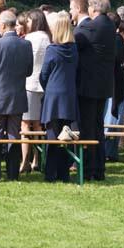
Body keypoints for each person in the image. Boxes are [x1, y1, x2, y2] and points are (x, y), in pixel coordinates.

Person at [0, 10, 33, 181]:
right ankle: (12, 174)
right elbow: (29, 71)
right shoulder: (26, 45)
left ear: (2, 25)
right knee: (14, 135)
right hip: (17, 96)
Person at [74, 0, 115, 181]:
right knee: (98, 127)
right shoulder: (110, 25)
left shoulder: (90, 27)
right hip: (104, 86)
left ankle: (89, 169)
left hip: (89, 86)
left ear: (93, 8)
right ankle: (99, 169)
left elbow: (74, 40)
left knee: (88, 129)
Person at [39, 12, 80, 182]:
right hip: (69, 95)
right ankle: (64, 173)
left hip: (53, 97)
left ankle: (50, 173)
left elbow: (44, 75)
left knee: (52, 136)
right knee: (66, 135)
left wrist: (48, 88)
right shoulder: (74, 49)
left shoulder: (52, 50)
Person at [21, 9, 51, 172]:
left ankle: (26, 160)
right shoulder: (48, 37)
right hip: (44, 84)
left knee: (25, 124)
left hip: (30, 83)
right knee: (38, 124)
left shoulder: (30, 38)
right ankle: (37, 159)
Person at [103, 13, 124, 163]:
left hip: (115, 87)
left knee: (112, 119)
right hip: (117, 86)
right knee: (113, 119)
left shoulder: (115, 41)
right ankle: (110, 151)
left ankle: (109, 151)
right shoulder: (119, 40)